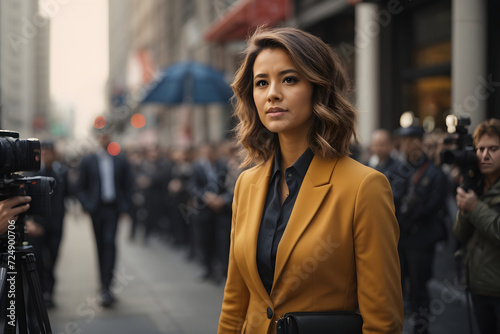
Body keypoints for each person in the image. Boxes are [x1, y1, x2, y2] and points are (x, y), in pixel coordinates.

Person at [217, 27, 403, 334]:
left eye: (289, 79)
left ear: (320, 88)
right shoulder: (246, 185)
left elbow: (382, 321)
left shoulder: (364, 187)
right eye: (262, 82)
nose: (272, 93)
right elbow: (235, 299)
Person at [397, 126, 449, 334]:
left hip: (421, 239)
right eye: (404, 141)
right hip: (402, 238)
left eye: (410, 140)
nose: (406, 145)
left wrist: (410, 211)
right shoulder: (402, 169)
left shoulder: (433, 172)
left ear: (419, 142)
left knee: (419, 288)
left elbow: (432, 206)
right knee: (398, 286)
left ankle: (421, 328)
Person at [454, 118, 500, 334]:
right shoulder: (476, 185)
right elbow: (460, 235)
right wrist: (465, 211)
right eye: (480, 149)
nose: (485, 155)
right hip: (478, 285)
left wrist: (475, 208)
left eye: (493, 148)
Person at [76, 131, 132, 307]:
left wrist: (125, 207)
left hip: (113, 209)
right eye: (101, 136)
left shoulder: (119, 159)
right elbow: (80, 186)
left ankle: (107, 286)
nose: (104, 139)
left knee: (110, 243)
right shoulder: (89, 160)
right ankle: (102, 284)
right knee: (100, 245)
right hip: (97, 209)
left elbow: (128, 183)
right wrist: (87, 205)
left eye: (107, 135)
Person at [26, 141, 70, 308]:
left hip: (56, 224)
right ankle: (41, 292)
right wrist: (29, 222)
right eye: (43, 152)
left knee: (53, 258)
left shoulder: (61, 172)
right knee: (37, 260)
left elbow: (67, 194)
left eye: (49, 152)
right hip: (37, 226)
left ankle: (49, 292)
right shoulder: (31, 172)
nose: (46, 155)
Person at [367, 129, 410, 213]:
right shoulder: (367, 165)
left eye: (382, 144)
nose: (379, 148)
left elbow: (398, 194)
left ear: (390, 145)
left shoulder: (399, 166)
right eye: (376, 144)